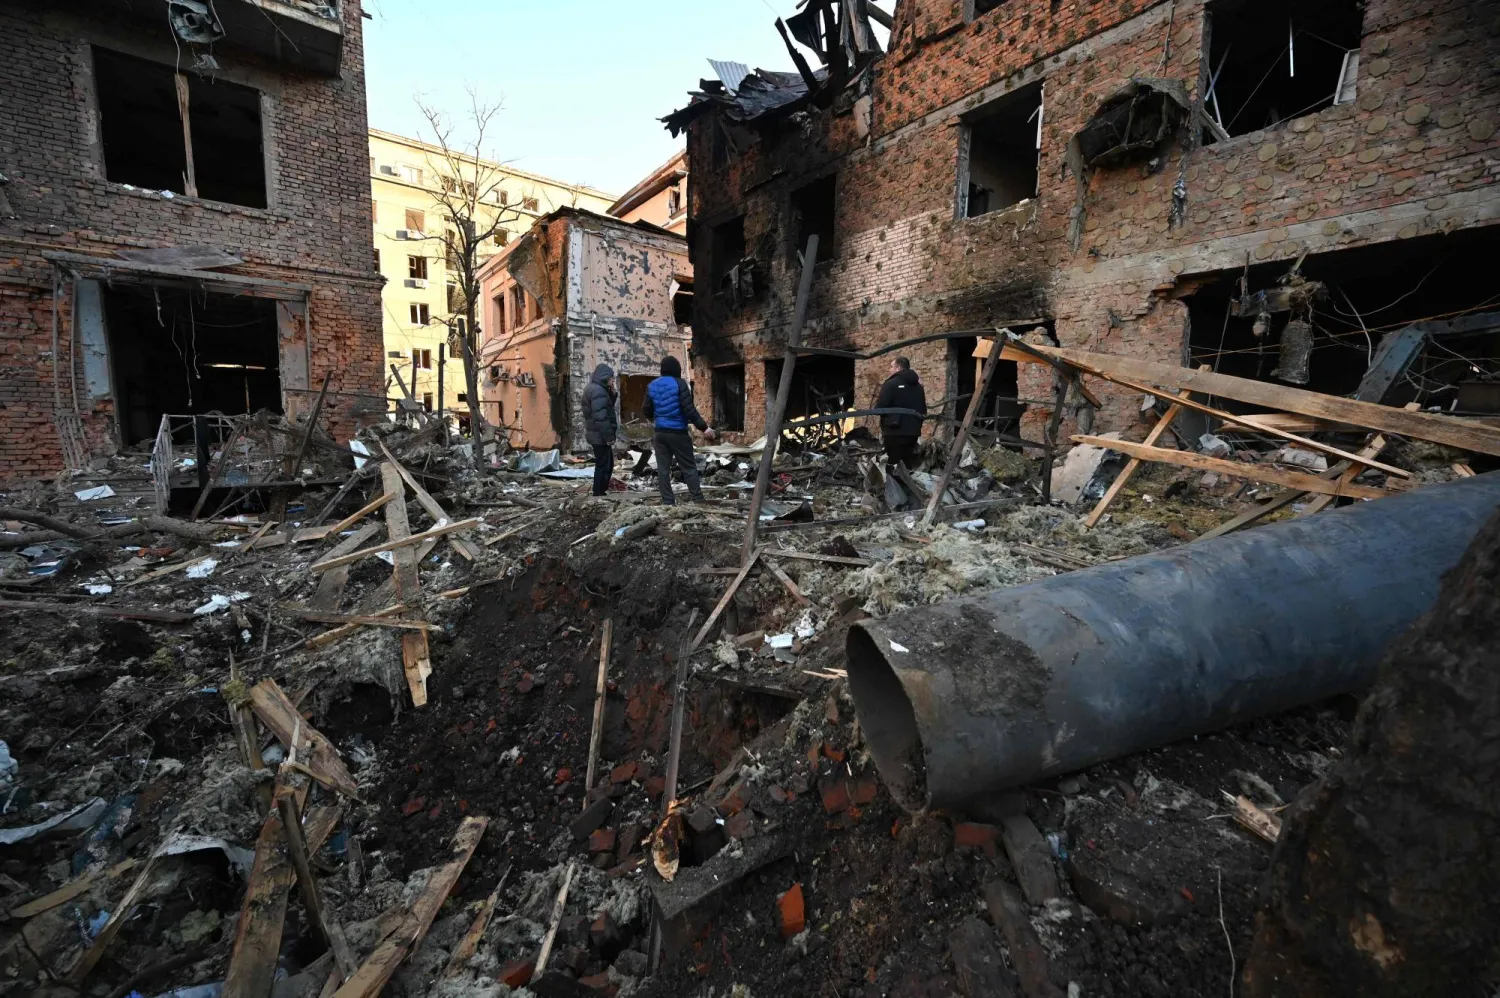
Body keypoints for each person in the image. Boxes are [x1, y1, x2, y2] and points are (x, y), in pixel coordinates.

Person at [642, 355, 716, 505]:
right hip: (678, 433)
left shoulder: (652, 385)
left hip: (660, 433)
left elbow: (646, 409)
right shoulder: (680, 384)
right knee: (688, 467)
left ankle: (668, 502)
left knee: (663, 469)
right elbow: (689, 411)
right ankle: (698, 500)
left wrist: (658, 418)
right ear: (677, 370)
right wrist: (705, 428)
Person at [874, 356, 926, 469]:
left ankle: (894, 486)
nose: (890, 370)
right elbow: (923, 410)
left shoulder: (890, 384)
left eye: (891, 367)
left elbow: (880, 407)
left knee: (893, 464)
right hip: (913, 432)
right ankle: (905, 485)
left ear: (898, 368)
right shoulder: (919, 387)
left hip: (894, 432)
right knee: (907, 464)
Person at [582, 363, 618, 497]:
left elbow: (605, 407)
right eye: (611, 378)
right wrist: (609, 437)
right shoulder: (598, 391)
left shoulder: (595, 389)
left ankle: (600, 491)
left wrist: (613, 394)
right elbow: (601, 417)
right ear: (604, 377)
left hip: (596, 434)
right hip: (599, 435)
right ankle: (598, 493)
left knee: (606, 463)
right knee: (604, 465)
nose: (613, 380)